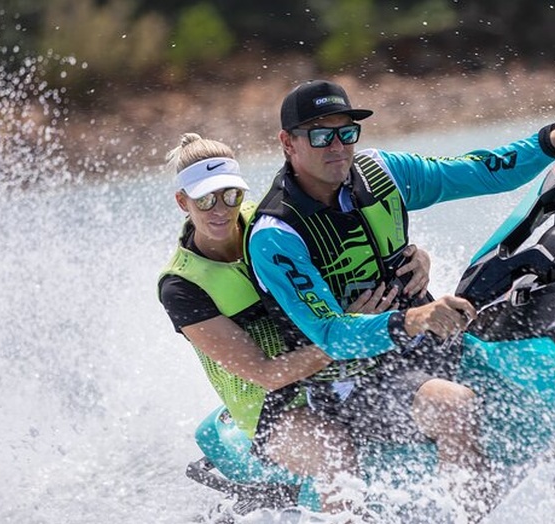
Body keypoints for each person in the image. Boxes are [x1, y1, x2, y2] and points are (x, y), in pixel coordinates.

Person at [245, 80, 555, 487]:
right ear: (287, 142)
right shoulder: (276, 234)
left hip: (430, 341)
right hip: (352, 383)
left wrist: (550, 140)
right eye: (320, 135)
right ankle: (467, 511)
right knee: (454, 406)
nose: (338, 146)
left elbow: (477, 172)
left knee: (551, 357)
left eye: (347, 132)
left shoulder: (382, 172)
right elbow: (330, 334)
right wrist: (415, 319)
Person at [156, 133, 433, 512]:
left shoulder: (274, 224)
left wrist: (416, 257)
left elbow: (366, 247)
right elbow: (266, 374)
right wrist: (346, 334)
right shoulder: (182, 287)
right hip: (276, 408)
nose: (220, 209)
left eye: (230, 195)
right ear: (182, 201)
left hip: (339, 373)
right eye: (204, 199)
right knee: (334, 453)